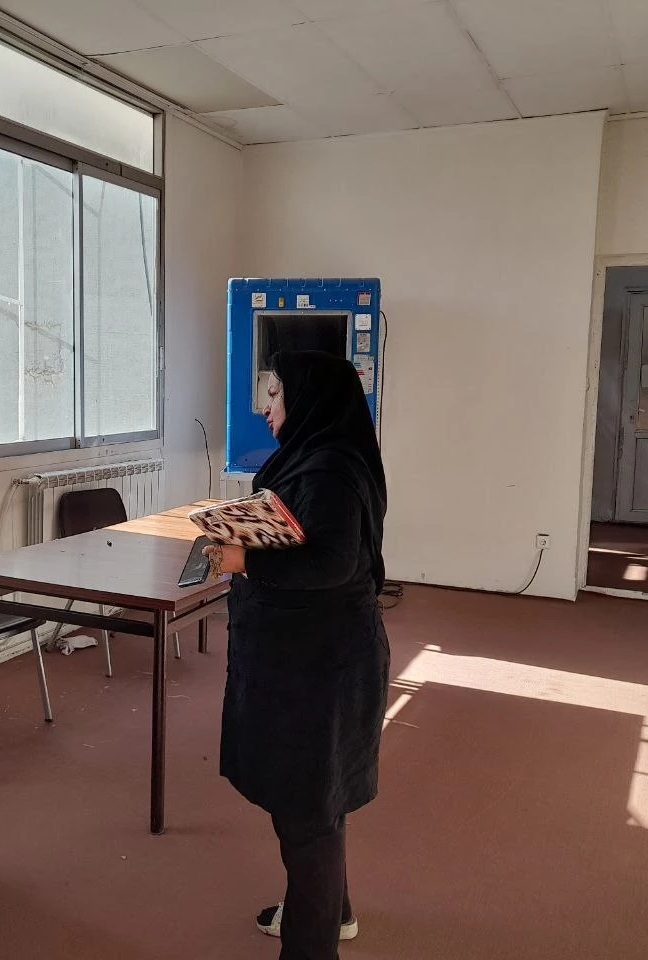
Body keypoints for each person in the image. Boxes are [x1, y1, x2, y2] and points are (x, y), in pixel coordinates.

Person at [205, 350, 390, 960]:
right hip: (312, 659)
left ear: (309, 398)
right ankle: (335, 911)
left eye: (276, 395)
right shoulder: (327, 454)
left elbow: (333, 563)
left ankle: (312, 945)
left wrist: (244, 558)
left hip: (318, 671)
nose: (267, 408)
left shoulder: (329, 468)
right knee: (319, 798)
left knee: (307, 814)